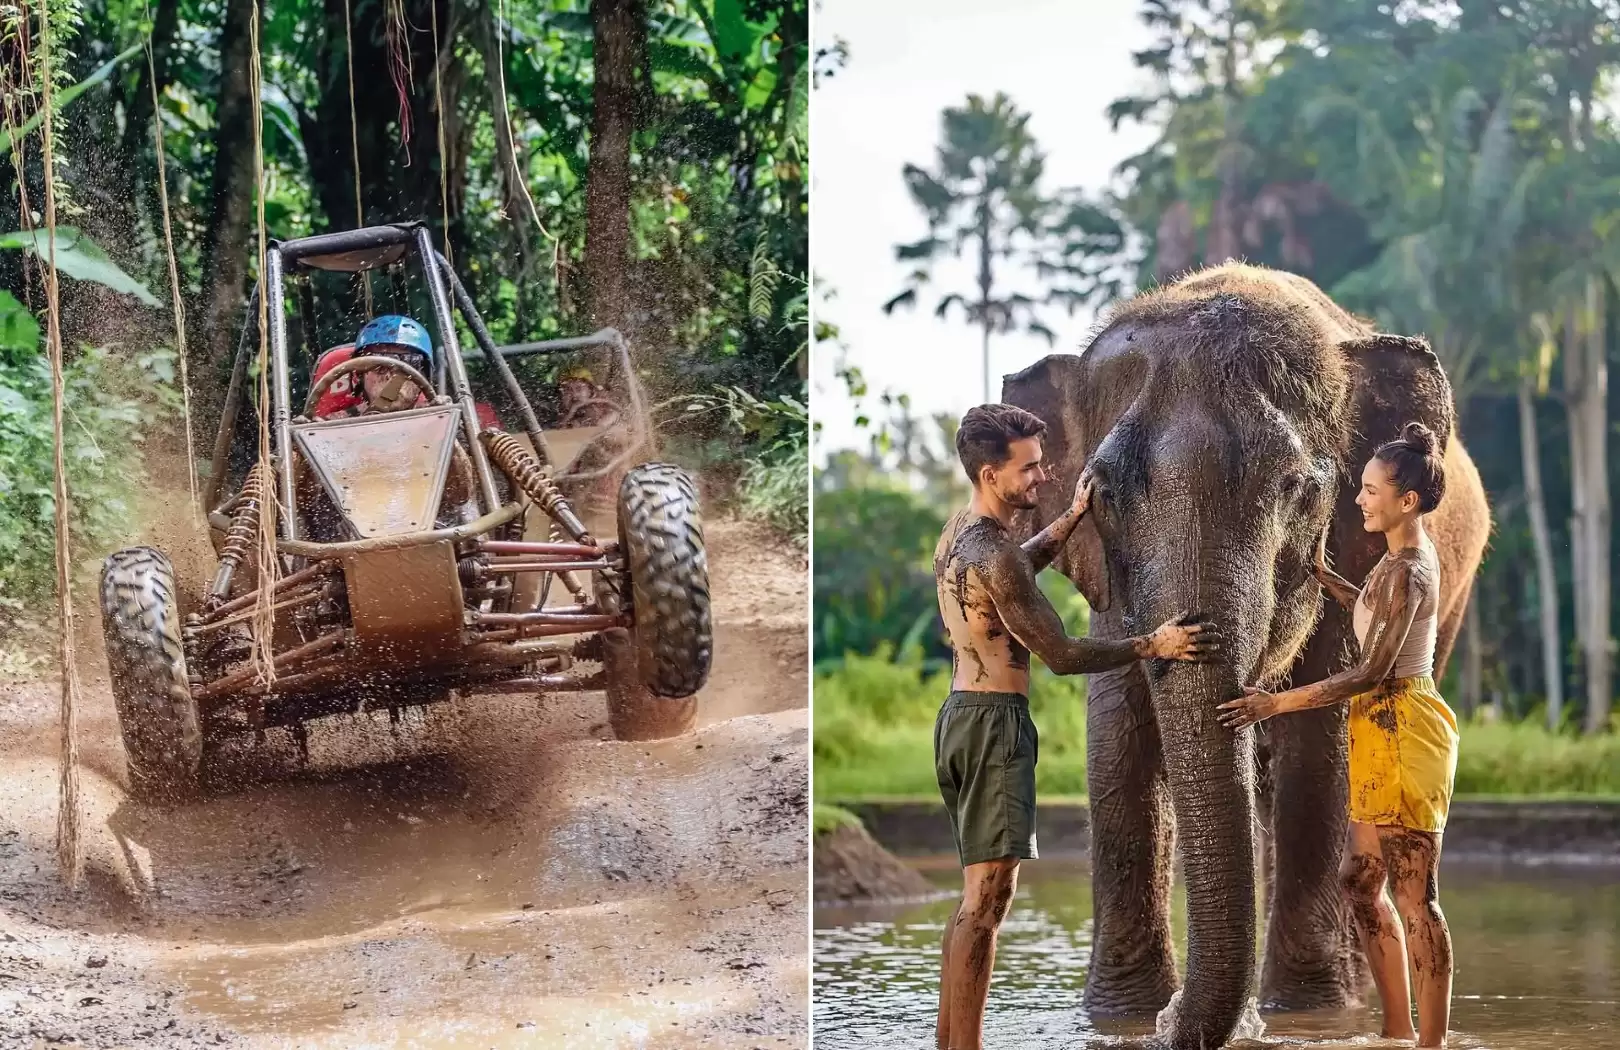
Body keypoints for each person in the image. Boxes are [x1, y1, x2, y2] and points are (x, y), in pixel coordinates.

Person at [931, 404, 1222, 1050]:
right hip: (994, 728)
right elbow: (1061, 655)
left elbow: (1007, 578)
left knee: (971, 901)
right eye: (1028, 468)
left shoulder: (959, 536)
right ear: (989, 473)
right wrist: (1154, 643)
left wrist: (1069, 519)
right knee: (989, 904)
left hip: (957, 719)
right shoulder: (998, 556)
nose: (1043, 475)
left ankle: (949, 1042)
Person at [1217, 421, 1456, 1048]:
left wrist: (1275, 704)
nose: (1359, 499)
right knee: (1360, 884)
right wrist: (1327, 579)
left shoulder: (1409, 569)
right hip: (1379, 729)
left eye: (1371, 490)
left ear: (1406, 502)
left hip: (1403, 726)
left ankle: (1430, 1042)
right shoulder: (1394, 564)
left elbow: (1370, 670)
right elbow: (1378, 616)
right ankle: (1397, 1031)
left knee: (1416, 899)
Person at [311, 314, 435, 419]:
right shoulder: (334, 425)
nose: (390, 376)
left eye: (408, 363)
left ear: (423, 374)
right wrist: (300, 437)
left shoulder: (438, 419)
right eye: (378, 366)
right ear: (360, 375)